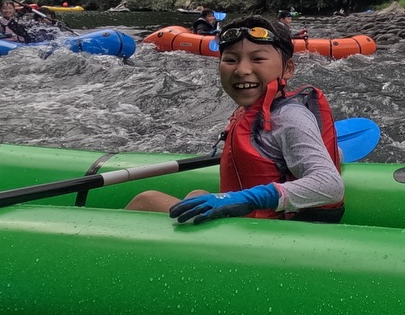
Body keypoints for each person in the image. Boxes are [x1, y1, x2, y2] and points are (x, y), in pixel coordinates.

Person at [126, 15, 346, 223]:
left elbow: (331, 185)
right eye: (230, 59)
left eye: (258, 58)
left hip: (269, 236)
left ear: (288, 68)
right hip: (255, 226)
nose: (242, 70)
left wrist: (247, 199)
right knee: (197, 194)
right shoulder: (257, 112)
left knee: (147, 200)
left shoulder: (289, 116)